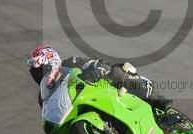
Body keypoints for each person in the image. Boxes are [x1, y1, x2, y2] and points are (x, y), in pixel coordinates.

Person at [26, 44, 174, 120]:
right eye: (35, 72)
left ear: (52, 61)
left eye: (40, 70)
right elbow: (52, 116)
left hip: (105, 91)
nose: (38, 75)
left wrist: (99, 70)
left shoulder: (71, 63)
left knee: (117, 71)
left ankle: (158, 101)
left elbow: (98, 63)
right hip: (84, 112)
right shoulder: (43, 96)